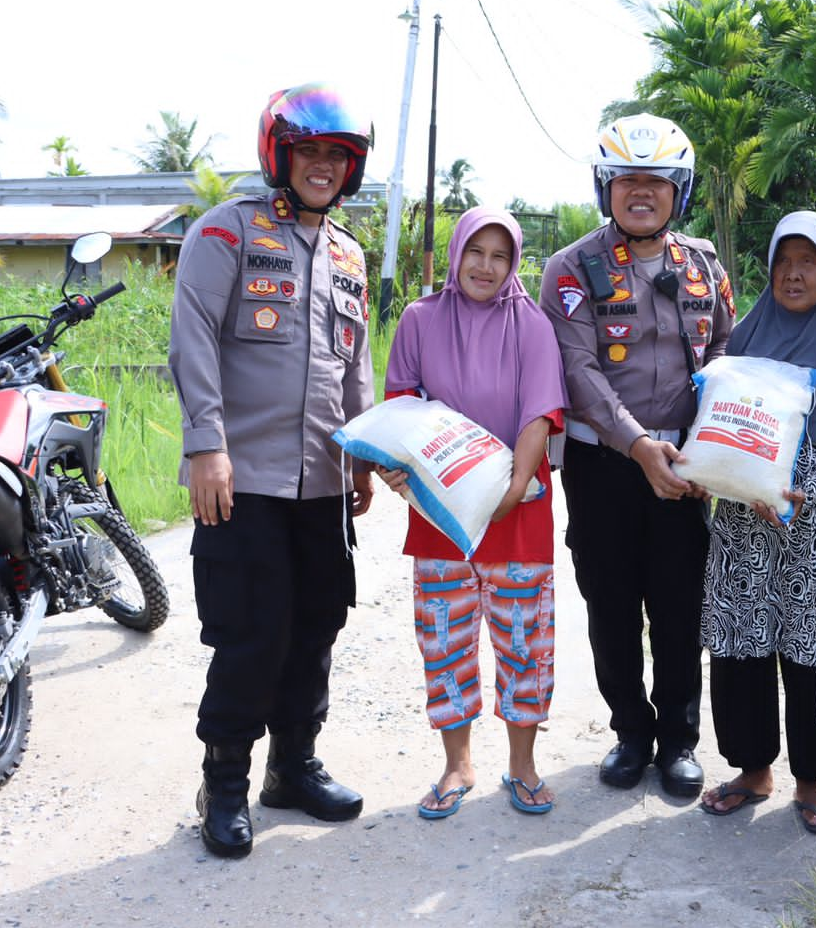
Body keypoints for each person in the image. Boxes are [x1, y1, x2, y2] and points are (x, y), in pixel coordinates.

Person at [169, 82, 376, 859]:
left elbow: (352, 368)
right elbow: (192, 340)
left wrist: (358, 455)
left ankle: (293, 767)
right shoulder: (226, 234)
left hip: (323, 482)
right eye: (310, 152)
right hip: (242, 476)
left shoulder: (351, 253)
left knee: (318, 624)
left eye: (336, 156)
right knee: (252, 632)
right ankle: (223, 782)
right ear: (280, 154)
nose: (322, 167)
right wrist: (205, 446)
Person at [539, 113, 734, 800]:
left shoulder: (704, 263)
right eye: (627, 181)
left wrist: (713, 448)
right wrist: (638, 445)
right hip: (605, 466)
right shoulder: (570, 269)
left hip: (686, 466)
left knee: (681, 604)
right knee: (611, 600)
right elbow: (579, 371)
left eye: (656, 182)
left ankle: (680, 739)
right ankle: (630, 731)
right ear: (605, 187)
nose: (641, 193)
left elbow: (724, 358)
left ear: (678, 190)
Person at [375, 209, 568, 819]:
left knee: (524, 643)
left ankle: (522, 764)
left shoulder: (532, 325)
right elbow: (399, 405)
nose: (486, 266)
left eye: (500, 255)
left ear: (513, 263)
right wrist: (394, 468)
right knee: (445, 642)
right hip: (440, 518)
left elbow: (541, 413)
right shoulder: (419, 319)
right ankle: (457, 764)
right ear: (457, 253)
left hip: (518, 514)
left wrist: (511, 490)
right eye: (475, 252)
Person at [696, 211, 816, 836]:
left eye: (808, 262)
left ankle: (810, 780)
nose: (794, 274)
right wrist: (742, 483)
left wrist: (798, 491)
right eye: (783, 262)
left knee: (811, 650)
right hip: (745, 523)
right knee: (741, 645)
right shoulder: (745, 338)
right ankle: (753, 771)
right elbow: (721, 419)